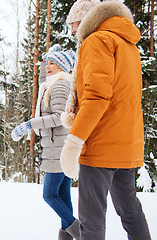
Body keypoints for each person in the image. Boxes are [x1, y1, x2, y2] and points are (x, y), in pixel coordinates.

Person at [60, 1, 152, 240]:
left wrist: (74, 142)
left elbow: (97, 96)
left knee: (91, 219)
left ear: (88, 19)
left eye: (74, 24)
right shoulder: (128, 44)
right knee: (130, 210)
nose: (72, 31)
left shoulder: (96, 41)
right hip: (126, 143)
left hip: (101, 144)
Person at [11, 45, 79, 240]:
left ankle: (80, 232)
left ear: (62, 66)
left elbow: (59, 117)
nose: (48, 67)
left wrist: (30, 124)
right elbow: (43, 82)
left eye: (52, 63)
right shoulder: (53, 83)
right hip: (58, 145)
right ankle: (66, 237)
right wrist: (45, 60)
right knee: (63, 195)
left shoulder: (59, 85)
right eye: (47, 63)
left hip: (58, 147)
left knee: (49, 194)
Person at [61, 0, 100, 128]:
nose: (72, 31)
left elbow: (95, 92)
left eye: (73, 24)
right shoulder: (87, 46)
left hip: (94, 122)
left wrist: (76, 136)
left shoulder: (94, 45)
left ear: (84, 21)